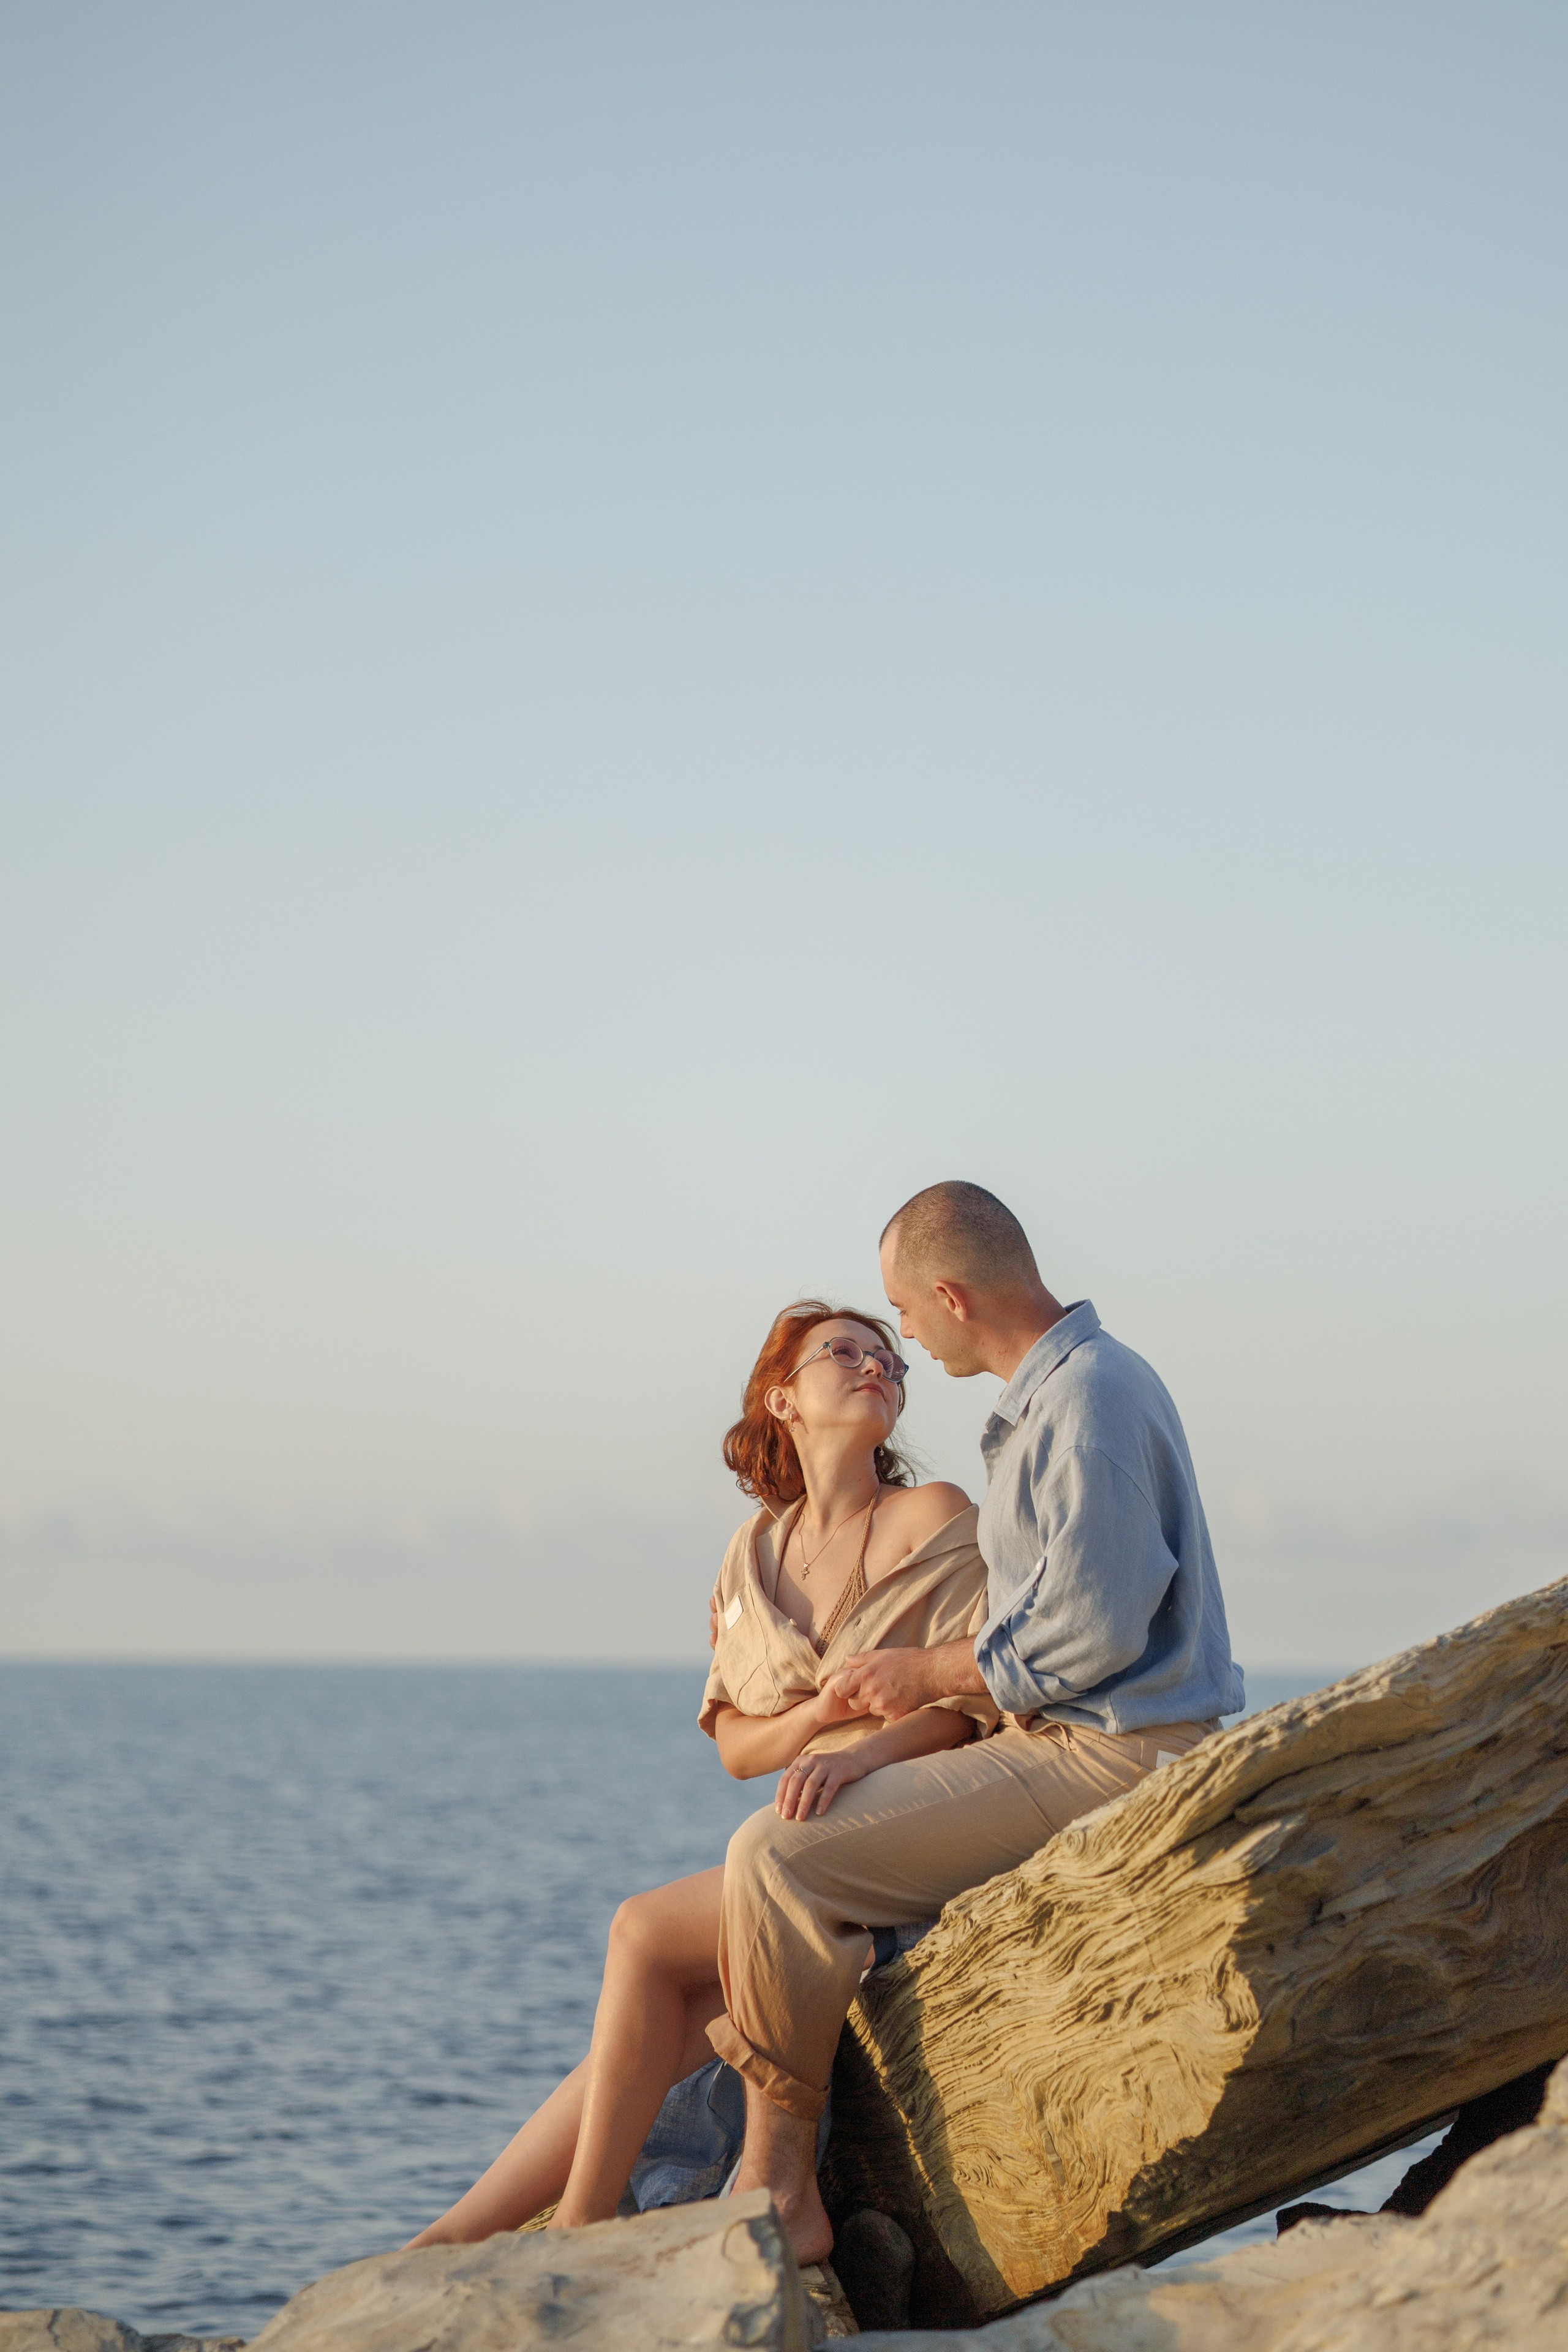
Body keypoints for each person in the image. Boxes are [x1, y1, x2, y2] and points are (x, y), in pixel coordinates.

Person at [709, 1182, 1245, 2263]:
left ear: (950, 1296)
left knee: (777, 1857)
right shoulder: (1069, 1396)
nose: (901, 1340)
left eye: (904, 1318)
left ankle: (777, 2182)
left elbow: (1091, 1630)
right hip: (1076, 1741)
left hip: (1111, 1750)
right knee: (766, 1865)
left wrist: (924, 1673)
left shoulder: (1087, 1402)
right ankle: (755, 2172)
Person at [405, 1297, 995, 2245]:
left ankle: (568, 2225)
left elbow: (967, 1706)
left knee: (642, 1932)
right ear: (783, 1398)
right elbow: (736, 1748)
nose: (875, 1366)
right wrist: (822, 1716)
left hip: (904, 1833)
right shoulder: (753, 1554)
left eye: (890, 1359)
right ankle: (466, 2234)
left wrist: (864, 1752)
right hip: (803, 1850)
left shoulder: (935, 1514)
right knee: (676, 2023)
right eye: (843, 1352)